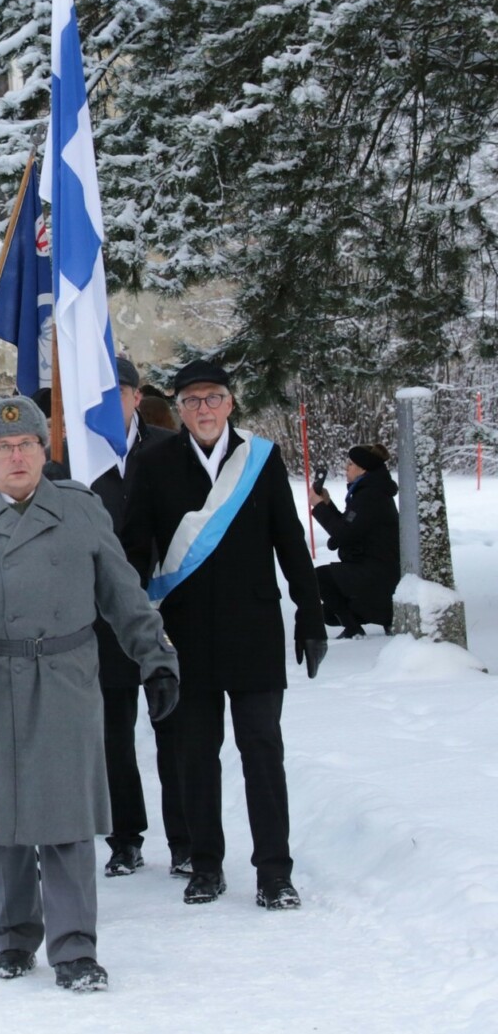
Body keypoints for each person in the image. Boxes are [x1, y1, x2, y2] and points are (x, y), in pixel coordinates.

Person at [0, 395, 180, 992]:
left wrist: (156, 660)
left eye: (26, 444)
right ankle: (12, 935)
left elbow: (123, 594)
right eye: (1, 448)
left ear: (42, 450)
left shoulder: (81, 511)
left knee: (66, 821)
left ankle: (76, 947)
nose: (15, 456)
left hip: (66, 679)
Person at [122, 359, 326, 911]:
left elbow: (288, 538)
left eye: (213, 398)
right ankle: (206, 866)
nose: (204, 409)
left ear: (230, 403)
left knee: (263, 751)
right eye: (192, 401)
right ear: (180, 410)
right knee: (195, 754)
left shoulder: (259, 458)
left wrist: (310, 613)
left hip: (254, 630)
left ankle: (274, 872)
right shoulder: (153, 460)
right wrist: (131, 621)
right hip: (183, 633)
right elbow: (136, 547)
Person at [90, 356, 186, 879]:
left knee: (174, 725)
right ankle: (125, 837)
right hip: (103, 616)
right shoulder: (76, 456)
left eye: (119, 392)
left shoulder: (170, 449)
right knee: (112, 733)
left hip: (166, 606)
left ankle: (186, 839)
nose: (111, 402)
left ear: (135, 396)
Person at [308, 442, 399, 638]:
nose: (346, 468)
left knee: (317, 577)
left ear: (363, 469)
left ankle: (355, 627)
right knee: (329, 615)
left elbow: (343, 534)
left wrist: (319, 507)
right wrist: (327, 504)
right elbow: (349, 527)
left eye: (350, 464)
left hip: (378, 573)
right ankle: (380, 616)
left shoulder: (370, 495)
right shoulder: (369, 491)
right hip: (374, 570)